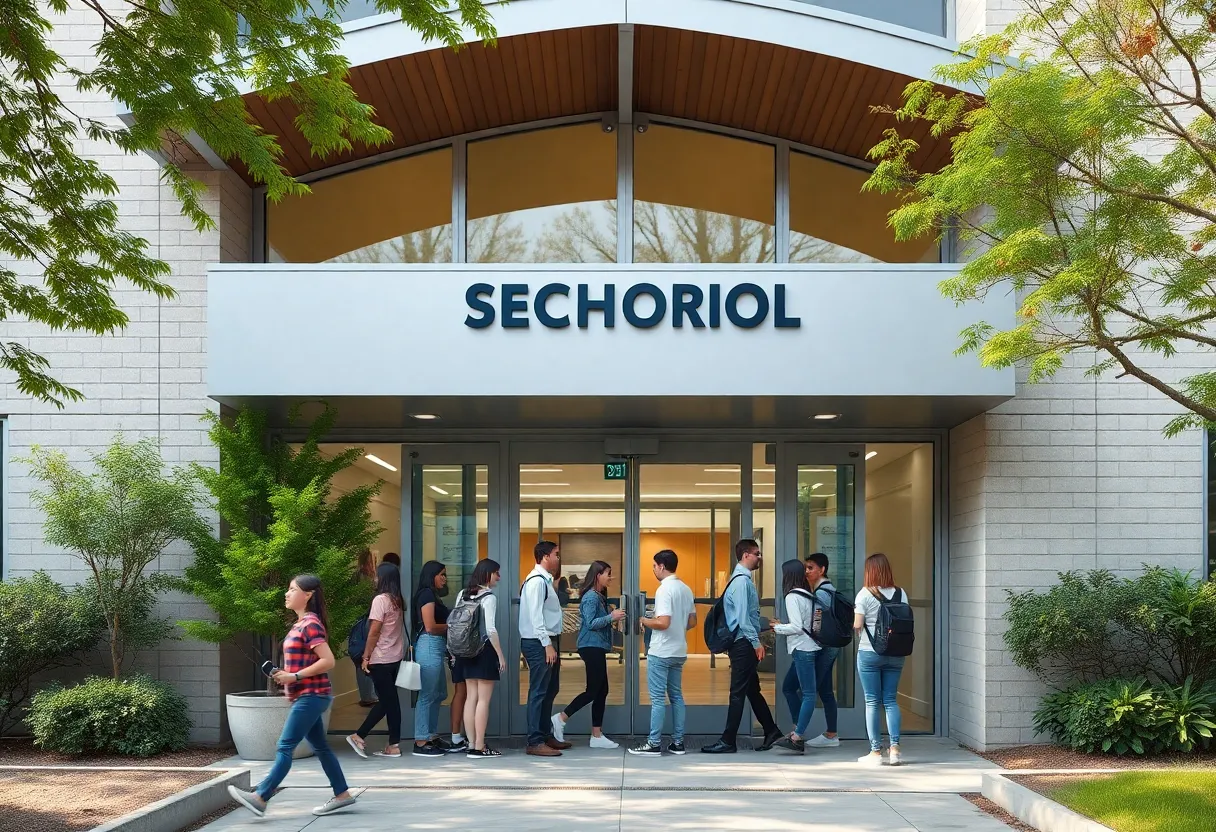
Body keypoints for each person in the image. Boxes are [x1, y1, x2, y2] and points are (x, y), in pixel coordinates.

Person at [228, 576, 355, 818]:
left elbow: (328, 661)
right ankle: (342, 794)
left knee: (285, 746)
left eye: (292, 589)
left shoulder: (311, 624)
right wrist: (284, 675)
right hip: (307, 695)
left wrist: (294, 677)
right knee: (321, 747)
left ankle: (260, 796)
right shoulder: (300, 624)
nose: (286, 594)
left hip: (311, 695)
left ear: (308, 595)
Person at [702, 538, 780, 754]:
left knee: (748, 690)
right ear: (746, 555)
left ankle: (767, 731)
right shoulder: (741, 582)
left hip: (743, 643)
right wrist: (757, 643)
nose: (760, 557)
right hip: (743, 644)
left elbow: (748, 618)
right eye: (757, 553)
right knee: (741, 692)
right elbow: (744, 619)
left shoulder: (740, 580)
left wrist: (764, 627)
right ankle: (736, 738)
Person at [553, 561, 626, 749]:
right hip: (590, 646)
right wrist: (612, 617)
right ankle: (561, 718)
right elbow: (591, 623)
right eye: (608, 574)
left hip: (597, 646)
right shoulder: (591, 597)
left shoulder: (598, 596)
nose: (610, 578)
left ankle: (597, 735)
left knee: (602, 690)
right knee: (593, 690)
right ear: (597, 575)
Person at [630, 549, 696, 756]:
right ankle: (678, 743)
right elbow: (692, 621)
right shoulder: (685, 588)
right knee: (676, 696)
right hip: (679, 650)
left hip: (661, 651)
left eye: (653, 566)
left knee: (658, 699)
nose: (653, 570)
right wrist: (676, 626)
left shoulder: (664, 590)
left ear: (661, 566)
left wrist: (642, 620)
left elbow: (663, 622)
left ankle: (654, 743)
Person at [771, 557, 839, 753]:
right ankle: (797, 728)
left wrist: (777, 627)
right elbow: (814, 624)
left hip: (803, 650)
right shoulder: (809, 594)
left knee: (808, 693)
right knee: (789, 687)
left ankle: (798, 735)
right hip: (812, 647)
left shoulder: (792, 596)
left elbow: (797, 627)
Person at [346, 563, 406, 759]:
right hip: (395, 657)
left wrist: (365, 657)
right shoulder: (397, 600)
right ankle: (392, 745)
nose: (374, 579)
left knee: (388, 702)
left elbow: (374, 632)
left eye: (376, 576)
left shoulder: (380, 600)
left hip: (380, 658)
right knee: (390, 702)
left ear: (383, 578)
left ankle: (360, 735)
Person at [519, 540, 570, 757]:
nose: (558, 559)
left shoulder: (545, 581)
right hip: (539, 642)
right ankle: (535, 741)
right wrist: (547, 644)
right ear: (545, 556)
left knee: (550, 689)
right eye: (556, 554)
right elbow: (535, 617)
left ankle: (545, 734)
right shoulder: (536, 582)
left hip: (547, 641)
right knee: (539, 691)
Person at [855, 552, 905, 766]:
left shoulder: (864, 594)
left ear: (870, 571)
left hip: (870, 653)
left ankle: (876, 752)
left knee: (872, 701)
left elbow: (858, 625)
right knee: (891, 700)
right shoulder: (901, 593)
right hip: (896, 653)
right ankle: (895, 749)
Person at [453, 558, 506, 759]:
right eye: (496, 573)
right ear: (487, 574)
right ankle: (479, 746)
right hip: (484, 650)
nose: (499, 577)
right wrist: (500, 655)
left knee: (471, 698)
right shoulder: (489, 598)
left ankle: (471, 745)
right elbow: (491, 629)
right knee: (483, 700)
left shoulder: (462, 594)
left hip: (465, 650)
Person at [411, 560, 464, 757]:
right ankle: (421, 739)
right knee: (427, 693)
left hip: (435, 646)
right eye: (441, 574)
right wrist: (452, 626)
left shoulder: (432, 595)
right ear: (431, 575)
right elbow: (431, 626)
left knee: (438, 693)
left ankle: (431, 735)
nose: (444, 578)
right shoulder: (426, 594)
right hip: (429, 645)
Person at [800, 552, 841, 748]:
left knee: (811, 690)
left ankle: (798, 734)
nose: (807, 571)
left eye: (811, 568)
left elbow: (817, 622)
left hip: (824, 647)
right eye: (806, 568)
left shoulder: (822, 593)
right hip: (831, 646)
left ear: (822, 569)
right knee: (825, 690)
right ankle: (831, 733)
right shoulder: (830, 590)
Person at [351, 548, 379, 707]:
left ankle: (369, 694)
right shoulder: (363, 578)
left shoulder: (360, 577)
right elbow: (367, 600)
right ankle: (368, 695)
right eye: (371, 561)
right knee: (365, 655)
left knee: (364, 656)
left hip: (363, 621)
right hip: (364, 622)